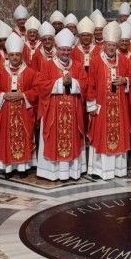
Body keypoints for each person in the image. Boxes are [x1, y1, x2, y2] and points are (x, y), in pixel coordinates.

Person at [36, 28, 89, 181]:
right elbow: (41, 85)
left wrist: (73, 82)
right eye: (62, 50)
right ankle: (52, 172)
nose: (65, 53)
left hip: (73, 112)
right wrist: (60, 82)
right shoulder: (47, 65)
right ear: (57, 49)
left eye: (68, 50)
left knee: (72, 138)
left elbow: (85, 84)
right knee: (53, 139)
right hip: (53, 112)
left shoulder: (77, 65)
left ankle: (72, 171)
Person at [86, 21, 131, 180]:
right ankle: (99, 170)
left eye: (114, 45)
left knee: (119, 134)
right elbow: (91, 83)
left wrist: (125, 80)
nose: (111, 48)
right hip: (102, 106)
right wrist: (91, 105)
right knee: (100, 136)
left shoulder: (124, 60)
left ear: (117, 45)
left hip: (120, 106)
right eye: (109, 45)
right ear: (104, 45)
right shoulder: (95, 60)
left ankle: (118, 170)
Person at [0, 33, 37, 178]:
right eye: (12, 55)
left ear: (21, 55)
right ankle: (8, 168)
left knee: (24, 136)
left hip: (24, 111)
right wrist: (3, 95)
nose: (15, 58)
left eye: (17, 55)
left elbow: (36, 90)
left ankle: (23, 167)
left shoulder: (30, 72)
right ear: (8, 56)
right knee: (6, 137)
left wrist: (23, 95)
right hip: (6, 112)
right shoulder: (1, 74)